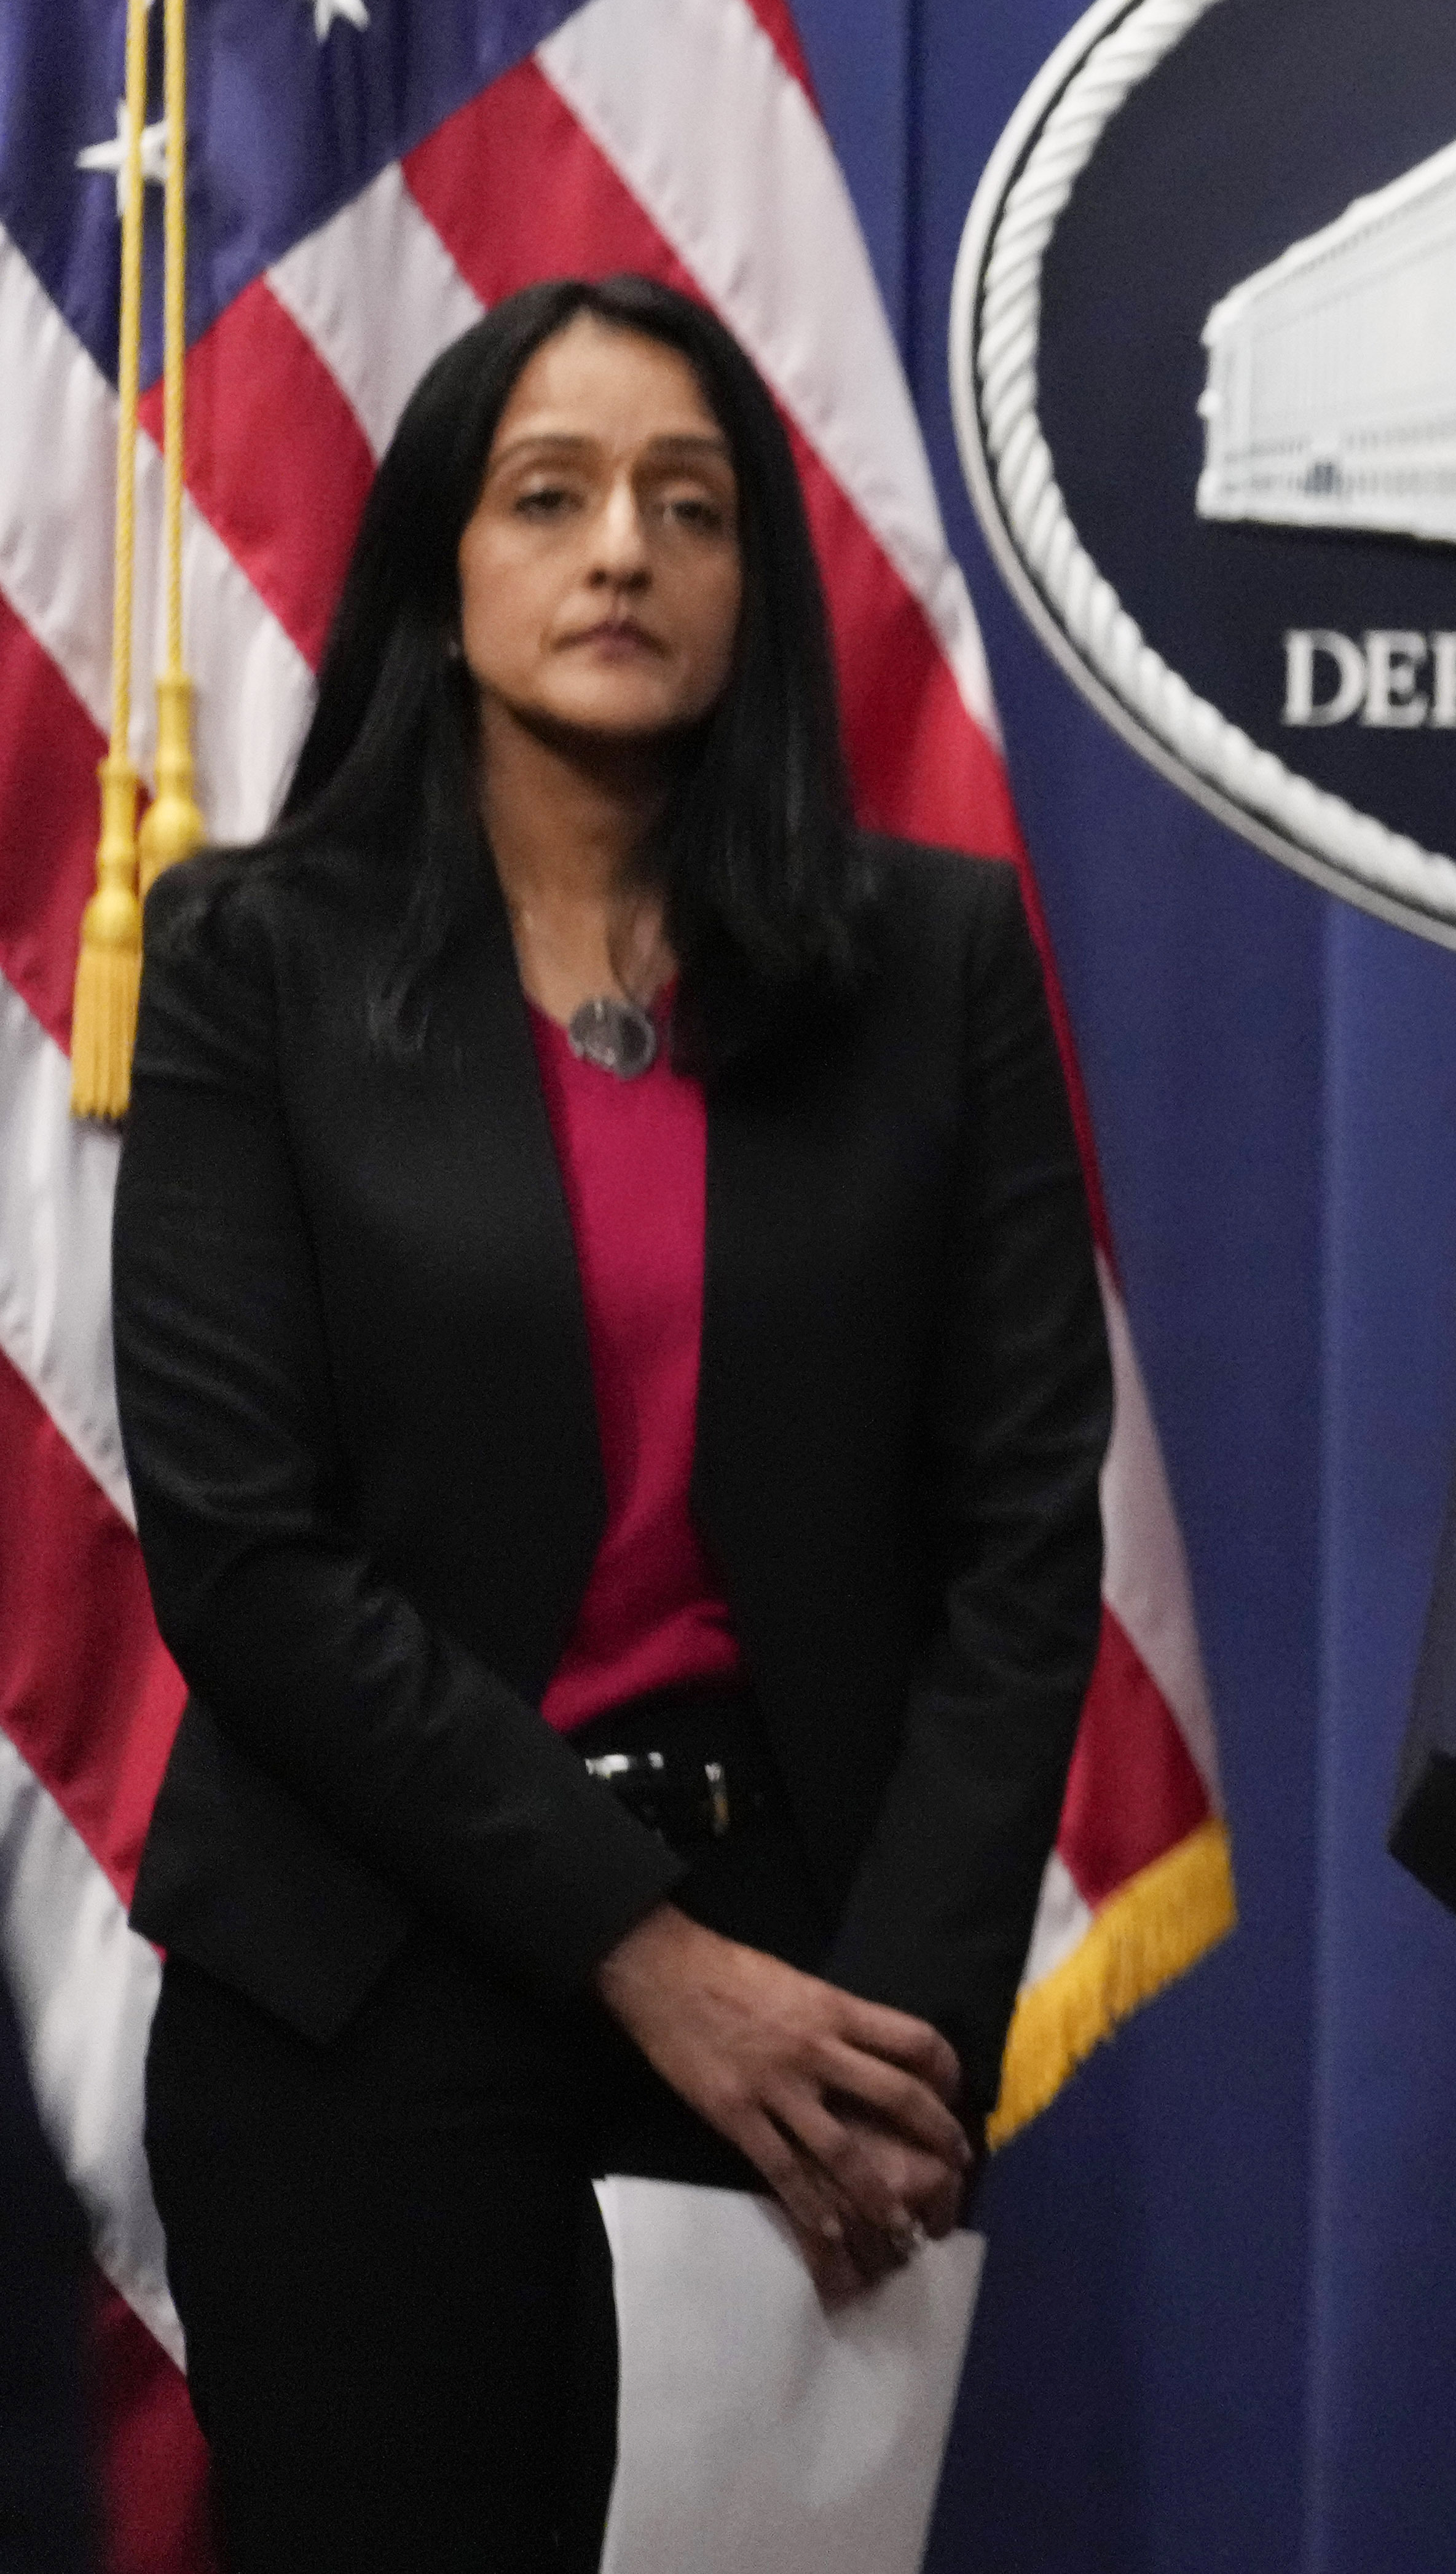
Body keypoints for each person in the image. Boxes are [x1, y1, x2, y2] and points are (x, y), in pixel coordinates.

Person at [111, 277, 1110, 2570]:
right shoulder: (253, 961)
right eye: (547, 497)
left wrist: (899, 2037)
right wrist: (653, 1962)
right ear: (443, 579)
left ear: (758, 576)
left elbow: (1022, 1531)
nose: (623, 552)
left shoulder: (933, 966)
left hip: (817, 1995)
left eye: (687, 503)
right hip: (366, 1988)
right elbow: (249, 1556)